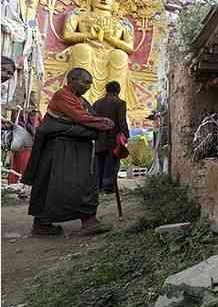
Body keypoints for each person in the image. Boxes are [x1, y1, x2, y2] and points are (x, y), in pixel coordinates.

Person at [23, 68, 115, 236]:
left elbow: (87, 121)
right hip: (61, 149)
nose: (88, 86)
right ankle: (45, 224)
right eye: (85, 82)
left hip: (77, 149)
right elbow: (82, 118)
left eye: (90, 83)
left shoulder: (82, 100)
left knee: (79, 184)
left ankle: (85, 220)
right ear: (72, 80)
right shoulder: (62, 96)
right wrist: (103, 124)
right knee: (59, 184)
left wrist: (96, 126)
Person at [93, 80, 129, 193]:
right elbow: (122, 121)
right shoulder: (119, 103)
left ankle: (98, 187)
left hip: (99, 138)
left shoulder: (97, 103)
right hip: (113, 139)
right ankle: (108, 188)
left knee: (99, 163)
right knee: (112, 163)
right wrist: (126, 135)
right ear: (118, 91)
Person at [8, 92, 42, 184]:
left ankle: (15, 183)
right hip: (27, 144)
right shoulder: (34, 113)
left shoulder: (17, 110)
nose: (35, 100)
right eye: (34, 98)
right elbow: (35, 129)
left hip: (19, 142)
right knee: (23, 166)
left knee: (17, 165)